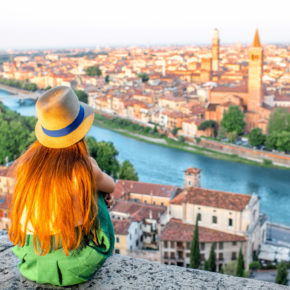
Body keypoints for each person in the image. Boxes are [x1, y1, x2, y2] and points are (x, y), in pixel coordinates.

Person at [8, 86, 115, 286]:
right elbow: (112, 186)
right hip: (73, 263)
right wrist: (95, 175)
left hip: (32, 259)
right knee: (93, 189)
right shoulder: (85, 168)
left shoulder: (27, 166)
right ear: (80, 130)